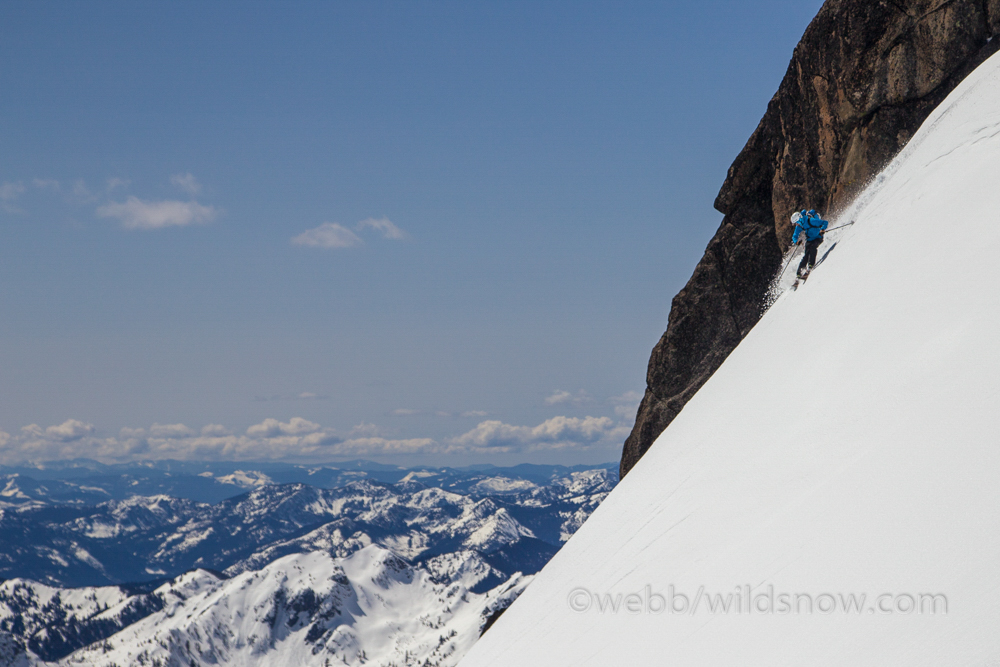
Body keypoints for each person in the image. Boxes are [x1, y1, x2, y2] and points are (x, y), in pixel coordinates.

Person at [791, 209, 829, 278]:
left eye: (796, 222)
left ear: (799, 219)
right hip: (810, 239)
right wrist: (796, 241)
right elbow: (795, 235)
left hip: (818, 237)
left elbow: (825, 222)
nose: (796, 224)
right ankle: (799, 272)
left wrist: (822, 229)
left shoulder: (811, 220)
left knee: (813, 247)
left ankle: (811, 265)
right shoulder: (800, 225)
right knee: (806, 254)